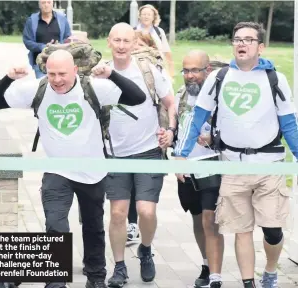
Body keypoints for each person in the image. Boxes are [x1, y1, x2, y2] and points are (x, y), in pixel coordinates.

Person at [0, 49, 146, 288]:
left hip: (92, 172)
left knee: (93, 227)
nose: (57, 80)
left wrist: (112, 74)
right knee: (56, 225)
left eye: (62, 73)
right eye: (51, 73)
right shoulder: (38, 89)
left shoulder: (93, 88)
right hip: (57, 171)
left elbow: (138, 98)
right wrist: (8, 78)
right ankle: (55, 282)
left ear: (75, 70)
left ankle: (95, 278)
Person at [174, 22, 298, 288]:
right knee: (241, 231)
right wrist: (181, 154)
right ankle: (248, 283)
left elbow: (289, 123)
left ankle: (271, 270)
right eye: (237, 39)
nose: (241, 44)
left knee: (272, 231)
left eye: (248, 40)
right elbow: (198, 117)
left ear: (260, 47)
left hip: (269, 166)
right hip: (232, 166)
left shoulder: (275, 79)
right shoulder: (219, 78)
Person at [104, 23, 176, 288]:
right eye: (117, 40)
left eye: (127, 40)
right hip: (114, 154)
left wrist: (170, 130)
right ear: (109, 42)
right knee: (117, 214)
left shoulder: (148, 70)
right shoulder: (100, 72)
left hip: (148, 151)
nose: (122, 46)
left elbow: (170, 103)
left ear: (134, 43)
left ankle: (145, 249)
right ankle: (120, 267)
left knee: (145, 211)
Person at [174, 50, 225, 288]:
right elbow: (175, 128)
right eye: (186, 71)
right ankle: (206, 265)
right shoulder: (181, 95)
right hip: (187, 167)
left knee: (209, 219)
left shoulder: (219, 97)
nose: (190, 76)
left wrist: (214, 139)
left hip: (212, 164)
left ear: (207, 71)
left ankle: (216, 275)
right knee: (197, 218)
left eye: (196, 70)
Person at [23, 0, 71, 79]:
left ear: (53, 3)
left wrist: (58, 46)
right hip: (40, 64)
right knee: (43, 88)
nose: (46, 5)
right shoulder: (31, 20)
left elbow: (68, 38)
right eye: (43, 2)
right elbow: (27, 41)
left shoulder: (62, 19)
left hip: (60, 63)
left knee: (58, 89)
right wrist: (43, 47)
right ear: (39, 4)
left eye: (49, 2)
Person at [135, 4, 174, 79]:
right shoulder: (133, 31)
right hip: (138, 68)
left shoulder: (159, 32)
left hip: (157, 67)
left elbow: (167, 52)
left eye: (149, 14)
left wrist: (171, 73)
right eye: (144, 14)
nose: (146, 16)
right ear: (139, 16)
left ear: (153, 17)